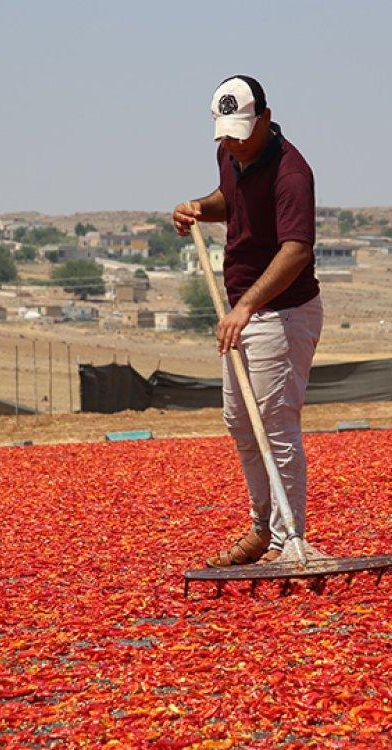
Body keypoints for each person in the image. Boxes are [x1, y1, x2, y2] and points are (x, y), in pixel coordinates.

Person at [172, 75, 323, 567]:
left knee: (275, 423)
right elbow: (227, 198)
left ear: (266, 117)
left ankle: (290, 538)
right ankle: (264, 528)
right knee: (240, 422)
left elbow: (296, 251)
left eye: (243, 131)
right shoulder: (231, 152)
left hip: (282, 312)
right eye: (227, 134)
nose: (235, 143)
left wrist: (246, 307)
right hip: (244, 312)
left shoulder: (291, 174)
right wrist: (198, 207)